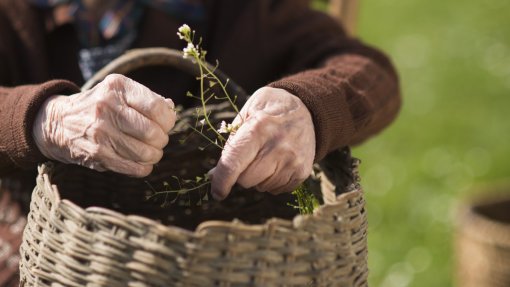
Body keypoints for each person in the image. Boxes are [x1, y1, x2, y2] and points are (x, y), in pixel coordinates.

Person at [0, 0, 400, 285]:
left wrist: (309, 108)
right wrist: (42, 119)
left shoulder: (241, 11)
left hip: (230, 266)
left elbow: (368, 71)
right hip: (35, 261)